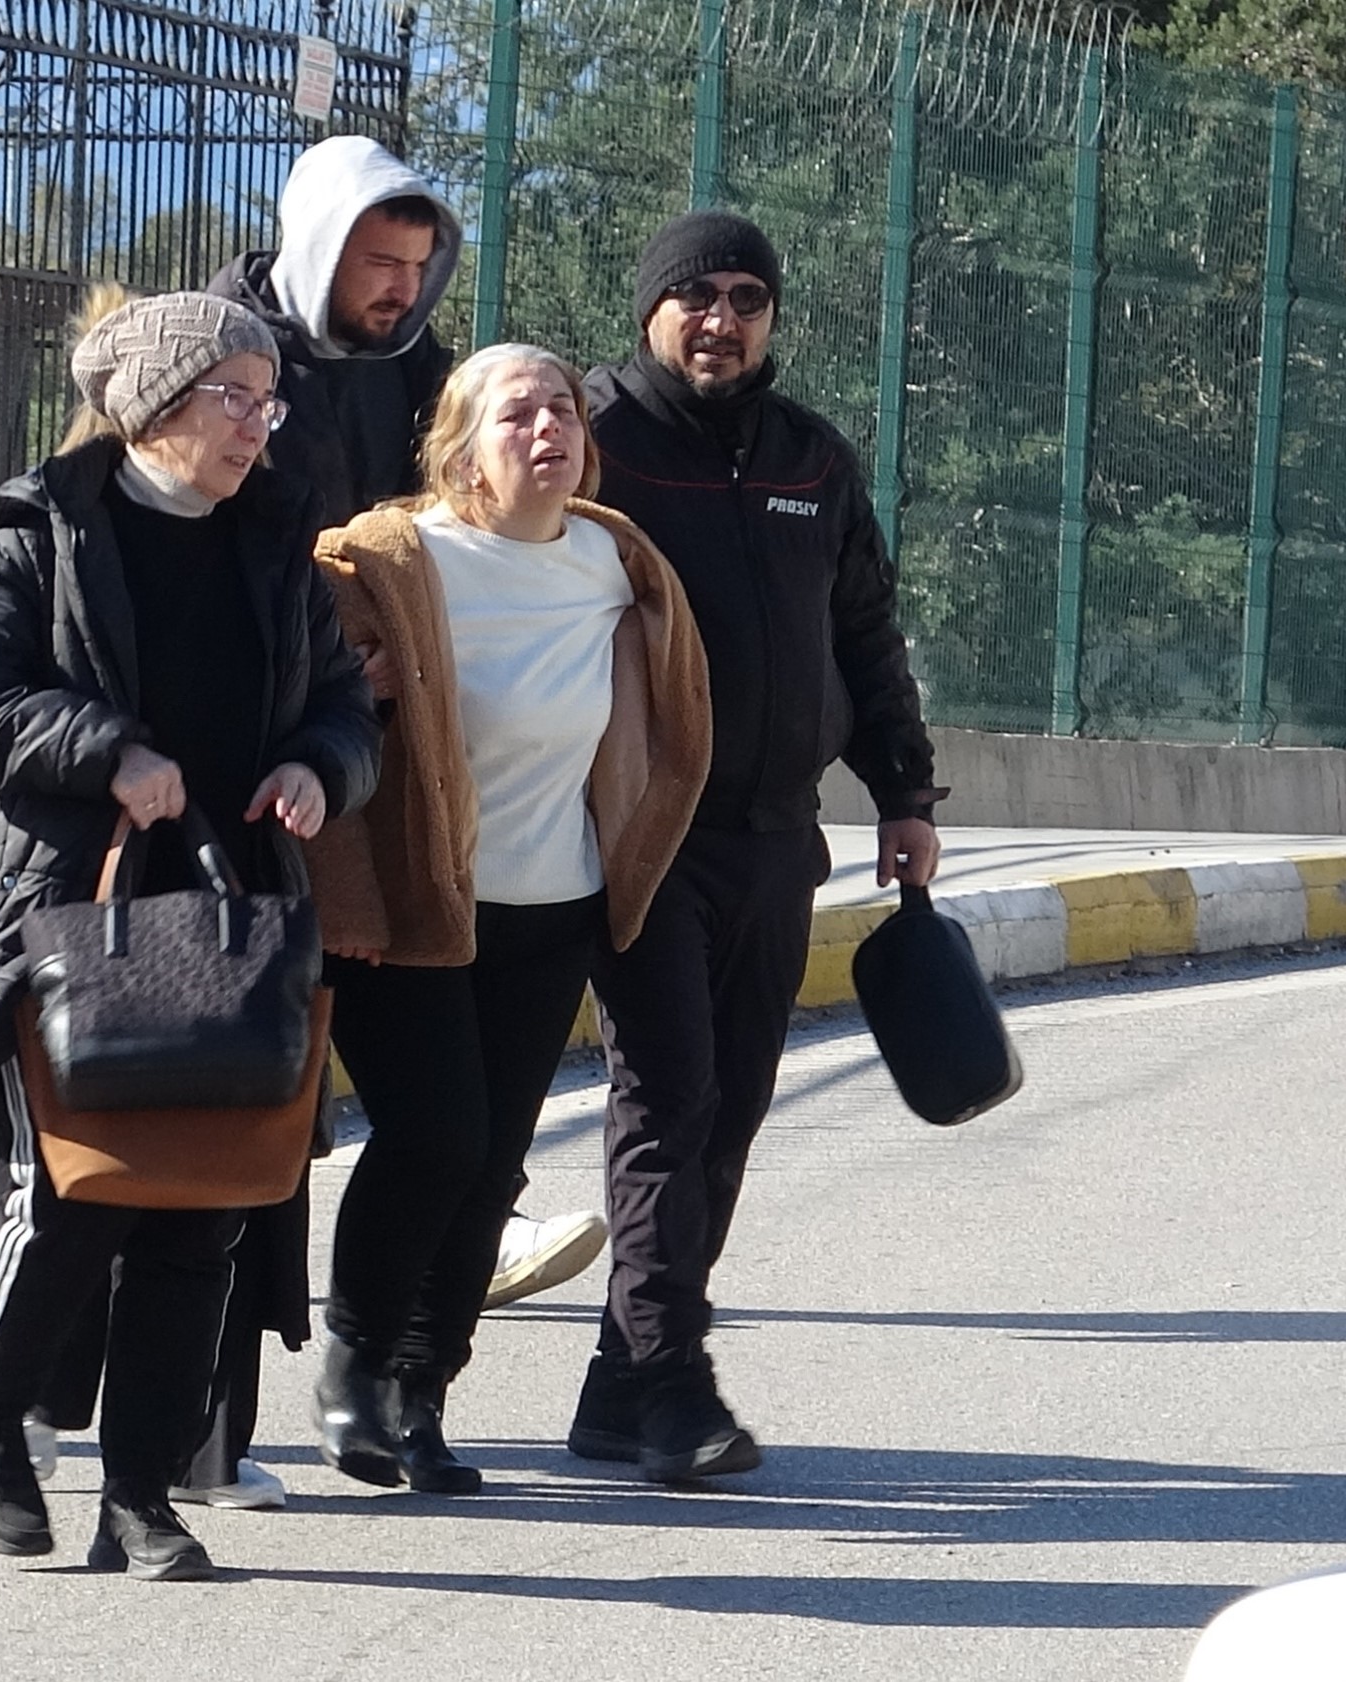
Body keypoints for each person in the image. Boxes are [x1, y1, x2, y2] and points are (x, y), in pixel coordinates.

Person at [0, 290, 379, 1580]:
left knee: (201, 1212)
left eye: (268, 401)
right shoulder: (39, 534)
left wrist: (319, 768)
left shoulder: (275, 542)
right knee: (71, 1187)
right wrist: (107, 749)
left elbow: (346, 706)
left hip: (230, 922)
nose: (258, 426)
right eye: (234, 398)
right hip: (67, 917)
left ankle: (140, 1495)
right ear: (156, 406)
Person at [572, 209, 944, 1484]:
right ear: (651, 311)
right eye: (697, 296)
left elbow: (865, 634)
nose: (721, 320)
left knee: (728, 1110)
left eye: (746, 297)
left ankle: (620, 1379)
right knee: (668, 1099)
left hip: (779, 839)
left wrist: (905, 794)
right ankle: (675, 1383)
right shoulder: (597, 441)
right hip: (644, 837)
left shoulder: (812, 458)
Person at [303, 345, 710, 1493]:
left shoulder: (615, 561)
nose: (550, 428)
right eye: (518, 412)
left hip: (553, 908)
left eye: (565, 409)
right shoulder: (392, 560)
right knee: (435, 1138)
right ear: (462, 447)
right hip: (419, 910)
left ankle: (420, 1395)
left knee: (489, 1168)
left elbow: (667, 714)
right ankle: (353, 1364)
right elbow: (305, 703)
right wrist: (346, 880)